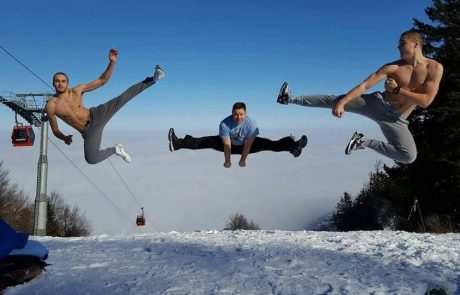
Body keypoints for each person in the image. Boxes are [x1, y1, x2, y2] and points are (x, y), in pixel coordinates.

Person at [277, 29, 443, 164]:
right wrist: (342, 102)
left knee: (408, 156)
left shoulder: (434, 68)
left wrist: (398, 90)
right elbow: (364, 85)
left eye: (402, 43)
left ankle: (362, 142)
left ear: (416, 44)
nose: (398, 47)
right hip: (378, 104)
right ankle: (289, 99)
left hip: (397, 120)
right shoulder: (392, 67)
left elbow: (426, 101)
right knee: (334, 100)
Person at [45, 49, 165, 164]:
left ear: (67, 83)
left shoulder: (77, 90)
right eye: (57, 81)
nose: (60, 83)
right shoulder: (51, 106)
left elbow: (102, 80)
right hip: (89, 131)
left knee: (123, 98)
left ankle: (153, 79)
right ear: (53, 83)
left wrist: (112, 62)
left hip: (97, 115)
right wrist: (64, 138)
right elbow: (55, 130)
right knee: (91, 159)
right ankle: (116, 149)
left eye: (63, 81)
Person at [168, 102, 308, 168]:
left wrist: (243, 160)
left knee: (270, 144)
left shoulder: (251, 124)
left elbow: (247, 146)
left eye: (241, 114)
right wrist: (228, 161)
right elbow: (227, 146)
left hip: (246, 146)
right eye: (235, 114)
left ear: (245, 114)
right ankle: (178, 143)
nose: (238, 117)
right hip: (229, 145)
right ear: (231, 114)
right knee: (206, 141)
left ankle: (293, 147)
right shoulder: (224, 124)